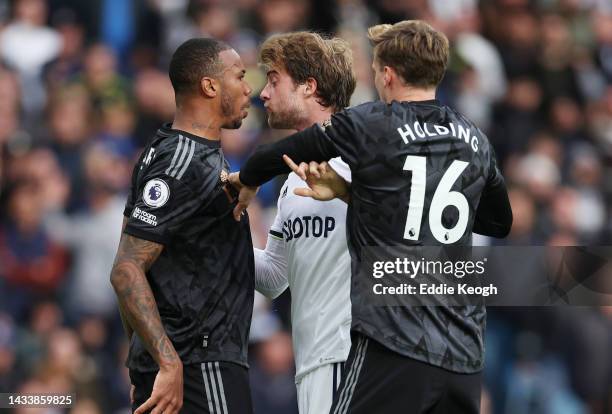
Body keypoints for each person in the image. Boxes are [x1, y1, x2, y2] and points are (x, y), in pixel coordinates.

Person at [231, 21, 513, 413]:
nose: (263, 92)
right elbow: (499, 222)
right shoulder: (473, 137)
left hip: (378, 351)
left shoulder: (368, 136)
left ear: (387, 74)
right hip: (458, 349)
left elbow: (270, 156)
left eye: (273, 80)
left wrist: (243, 180)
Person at [109, 37, 254, 414]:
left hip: (176, 367)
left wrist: (147, 359)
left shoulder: (160, 151)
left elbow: (130, 260)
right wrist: (166, 361)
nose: (249, 87)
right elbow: (126, 270)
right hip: (199, 366)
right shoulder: (184, 161)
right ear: (210, 86)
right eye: (240, 76)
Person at [253, 31, 356, 414]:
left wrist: (349, 191)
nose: (263, 93)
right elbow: (275, 276)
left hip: (349, 358)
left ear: (308, 87)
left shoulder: (361, 159)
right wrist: (218, 237)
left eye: (274, 80)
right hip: (312, 362)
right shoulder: (293, 180)